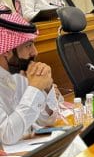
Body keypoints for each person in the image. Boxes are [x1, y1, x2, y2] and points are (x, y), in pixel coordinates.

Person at [0, 10, 58, 145]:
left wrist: (46, 89)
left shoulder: (20, 72)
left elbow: (46, 121)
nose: (35, 52)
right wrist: (35, 89)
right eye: (28, 45)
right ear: (7, 51)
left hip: (29, 147)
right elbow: (7, 136)